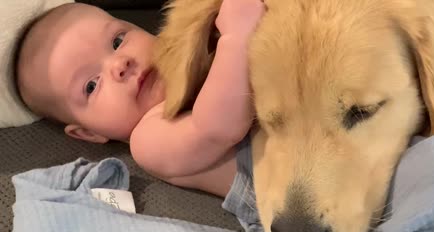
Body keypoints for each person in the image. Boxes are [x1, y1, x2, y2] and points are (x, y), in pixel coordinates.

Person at [14, 1, 266, 197]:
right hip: (289, 209)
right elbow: (217, 129)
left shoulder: (200, 58)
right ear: (88, 133)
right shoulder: (147, 140)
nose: (119, 64)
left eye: (118, 41)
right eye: (91, 85)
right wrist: (236, 38)